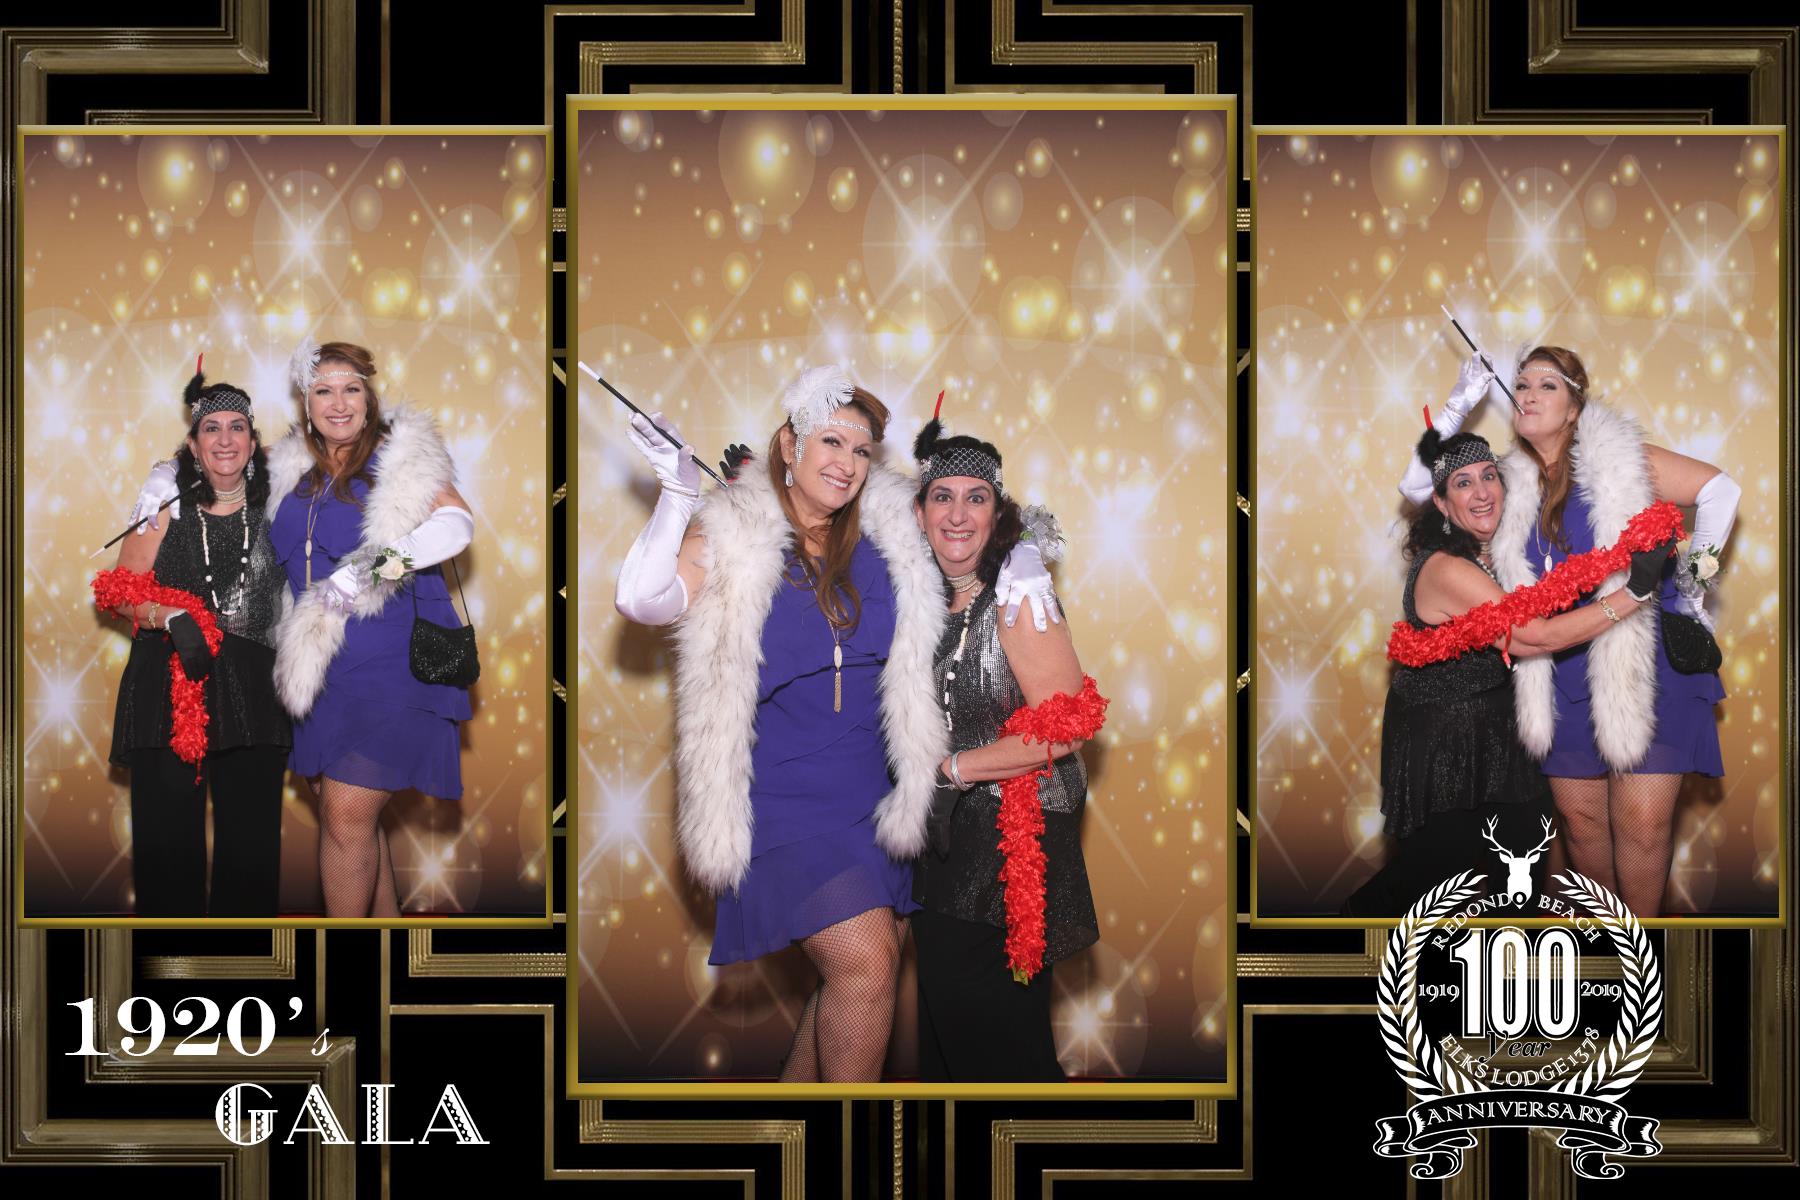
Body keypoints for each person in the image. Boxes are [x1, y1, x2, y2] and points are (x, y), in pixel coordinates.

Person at [613, 366, 1057, 1083]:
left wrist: (1023, 553)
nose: (847, 463)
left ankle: (785, 1133)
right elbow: (642, 599)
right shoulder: (733, 530)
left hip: (879, 793)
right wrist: (676, 493)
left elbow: (969, 517)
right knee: (866, 963)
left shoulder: (888, 529)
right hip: (782, 796)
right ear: (790, 445)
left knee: (858, 979)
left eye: (860, 450)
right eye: (830, 442)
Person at [1406, 349, 1736, 916]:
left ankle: (1643, 960)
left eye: (1547, 385)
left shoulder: (1622, 459)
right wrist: (1459, 402)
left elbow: (1720, 492)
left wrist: (1693, 585)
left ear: (1575, 406)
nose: (1528, 394)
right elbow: (1421, 488)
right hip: (1559, 669)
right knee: (1581, 828)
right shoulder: (1507, 481)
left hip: (1644, 664)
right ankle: (1606, 949)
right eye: (1521, 385)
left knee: (1642, 825)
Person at [1346, 430, 1671, 917]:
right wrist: (1633, 593)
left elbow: (1552, 592)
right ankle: (1347, 938)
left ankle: (1506, 962)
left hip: (1502, 731)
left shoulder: (1501, 555)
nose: (1481, 492)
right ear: (1441, 503)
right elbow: (1533, 637)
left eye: (1489, 476)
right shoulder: (1446, 569)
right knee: (1432, 880)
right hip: (1445, 741)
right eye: (1463, 483)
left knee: (1519, 874)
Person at [908, 420, 1097, 1081]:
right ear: (920, 513)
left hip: (1005, 850)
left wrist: (953, 770)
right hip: (942, 845)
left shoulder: (1019, 596)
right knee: (951, 1040)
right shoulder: (923, 603)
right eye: (942, 497)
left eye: (976, 498)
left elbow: (1068, 726)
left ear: (998, 514)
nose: (958, 514)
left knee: (996, 1048)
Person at [109, 369, 289, 916]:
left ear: (254, 442)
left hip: (254, 695)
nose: (225, 439)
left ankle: (244, 960)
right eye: (211, 428)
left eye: (238, 427)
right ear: (192, 444)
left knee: (252, 852)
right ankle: (170, 958)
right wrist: (166, 615)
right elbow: (120, 591)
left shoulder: (281, 504)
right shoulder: (163, 504)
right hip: (169, 689)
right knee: (167, 851)